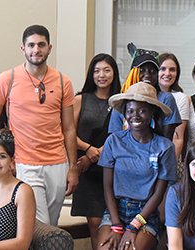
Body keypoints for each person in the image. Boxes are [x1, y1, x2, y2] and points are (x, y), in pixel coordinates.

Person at [0, 24, 78, 226]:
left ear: (49, 48)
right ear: (23, 49)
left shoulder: (63, 82)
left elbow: (69, 128)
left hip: (57, 163)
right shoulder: (6, 79)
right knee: (39, 223)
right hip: (24, 162)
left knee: (51, 225)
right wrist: (5, 157)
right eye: (31, 45)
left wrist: (73, 168)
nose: (36, 50)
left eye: (41, 45)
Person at [95, 82, 177, 250]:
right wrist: (117, 225)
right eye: (130, 111)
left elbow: (159, 193)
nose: (135, 116)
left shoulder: (165, 147)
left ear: (152, 112)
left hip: (145, 214)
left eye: (142, 111)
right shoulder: (114, 141)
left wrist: (134, 226)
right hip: (115, 210)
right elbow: (107, 186)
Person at [71, 53, 121, 250]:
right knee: (94, 224)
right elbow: (68, 133)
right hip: (87, 173)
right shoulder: (80, 99)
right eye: (97, 70)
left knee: (114, 224)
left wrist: (92, 157)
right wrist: (88, 150)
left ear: (114, 74)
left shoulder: (120, 101)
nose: (102, 75)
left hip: (112, 170)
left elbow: (121, 136)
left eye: (107, 70)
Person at [108, 47, 182, 140]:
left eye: (152, 71)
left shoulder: (165, 98)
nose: (147, 75)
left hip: (156, 151)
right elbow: (115, 139)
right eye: (142, 71)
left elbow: (166, 140)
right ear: (133, 74)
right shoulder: (121, 100)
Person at [157, 53, 190, 161]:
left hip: (168, 157)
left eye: (172, 70)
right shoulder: (145, 97)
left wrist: (170, 165)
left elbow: (178, 137)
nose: (167, 73)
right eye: (162, 69)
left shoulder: (181, 98)